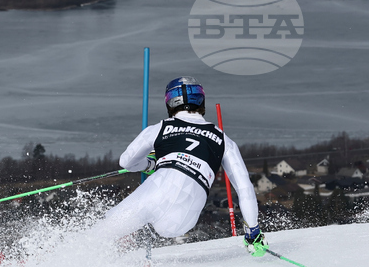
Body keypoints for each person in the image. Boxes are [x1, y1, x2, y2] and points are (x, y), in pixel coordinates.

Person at [90, 76, 266, 255]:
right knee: (165, 228)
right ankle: (143, 230)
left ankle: (106, 253)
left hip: (153, 193)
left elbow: (126, 162)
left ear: (170, 103)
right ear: (201, 102)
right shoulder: (223, 139)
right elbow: (244, 187)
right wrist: (253, 231)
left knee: (99, 236)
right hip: (184, 216)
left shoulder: (160, 128)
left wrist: (149, 165)